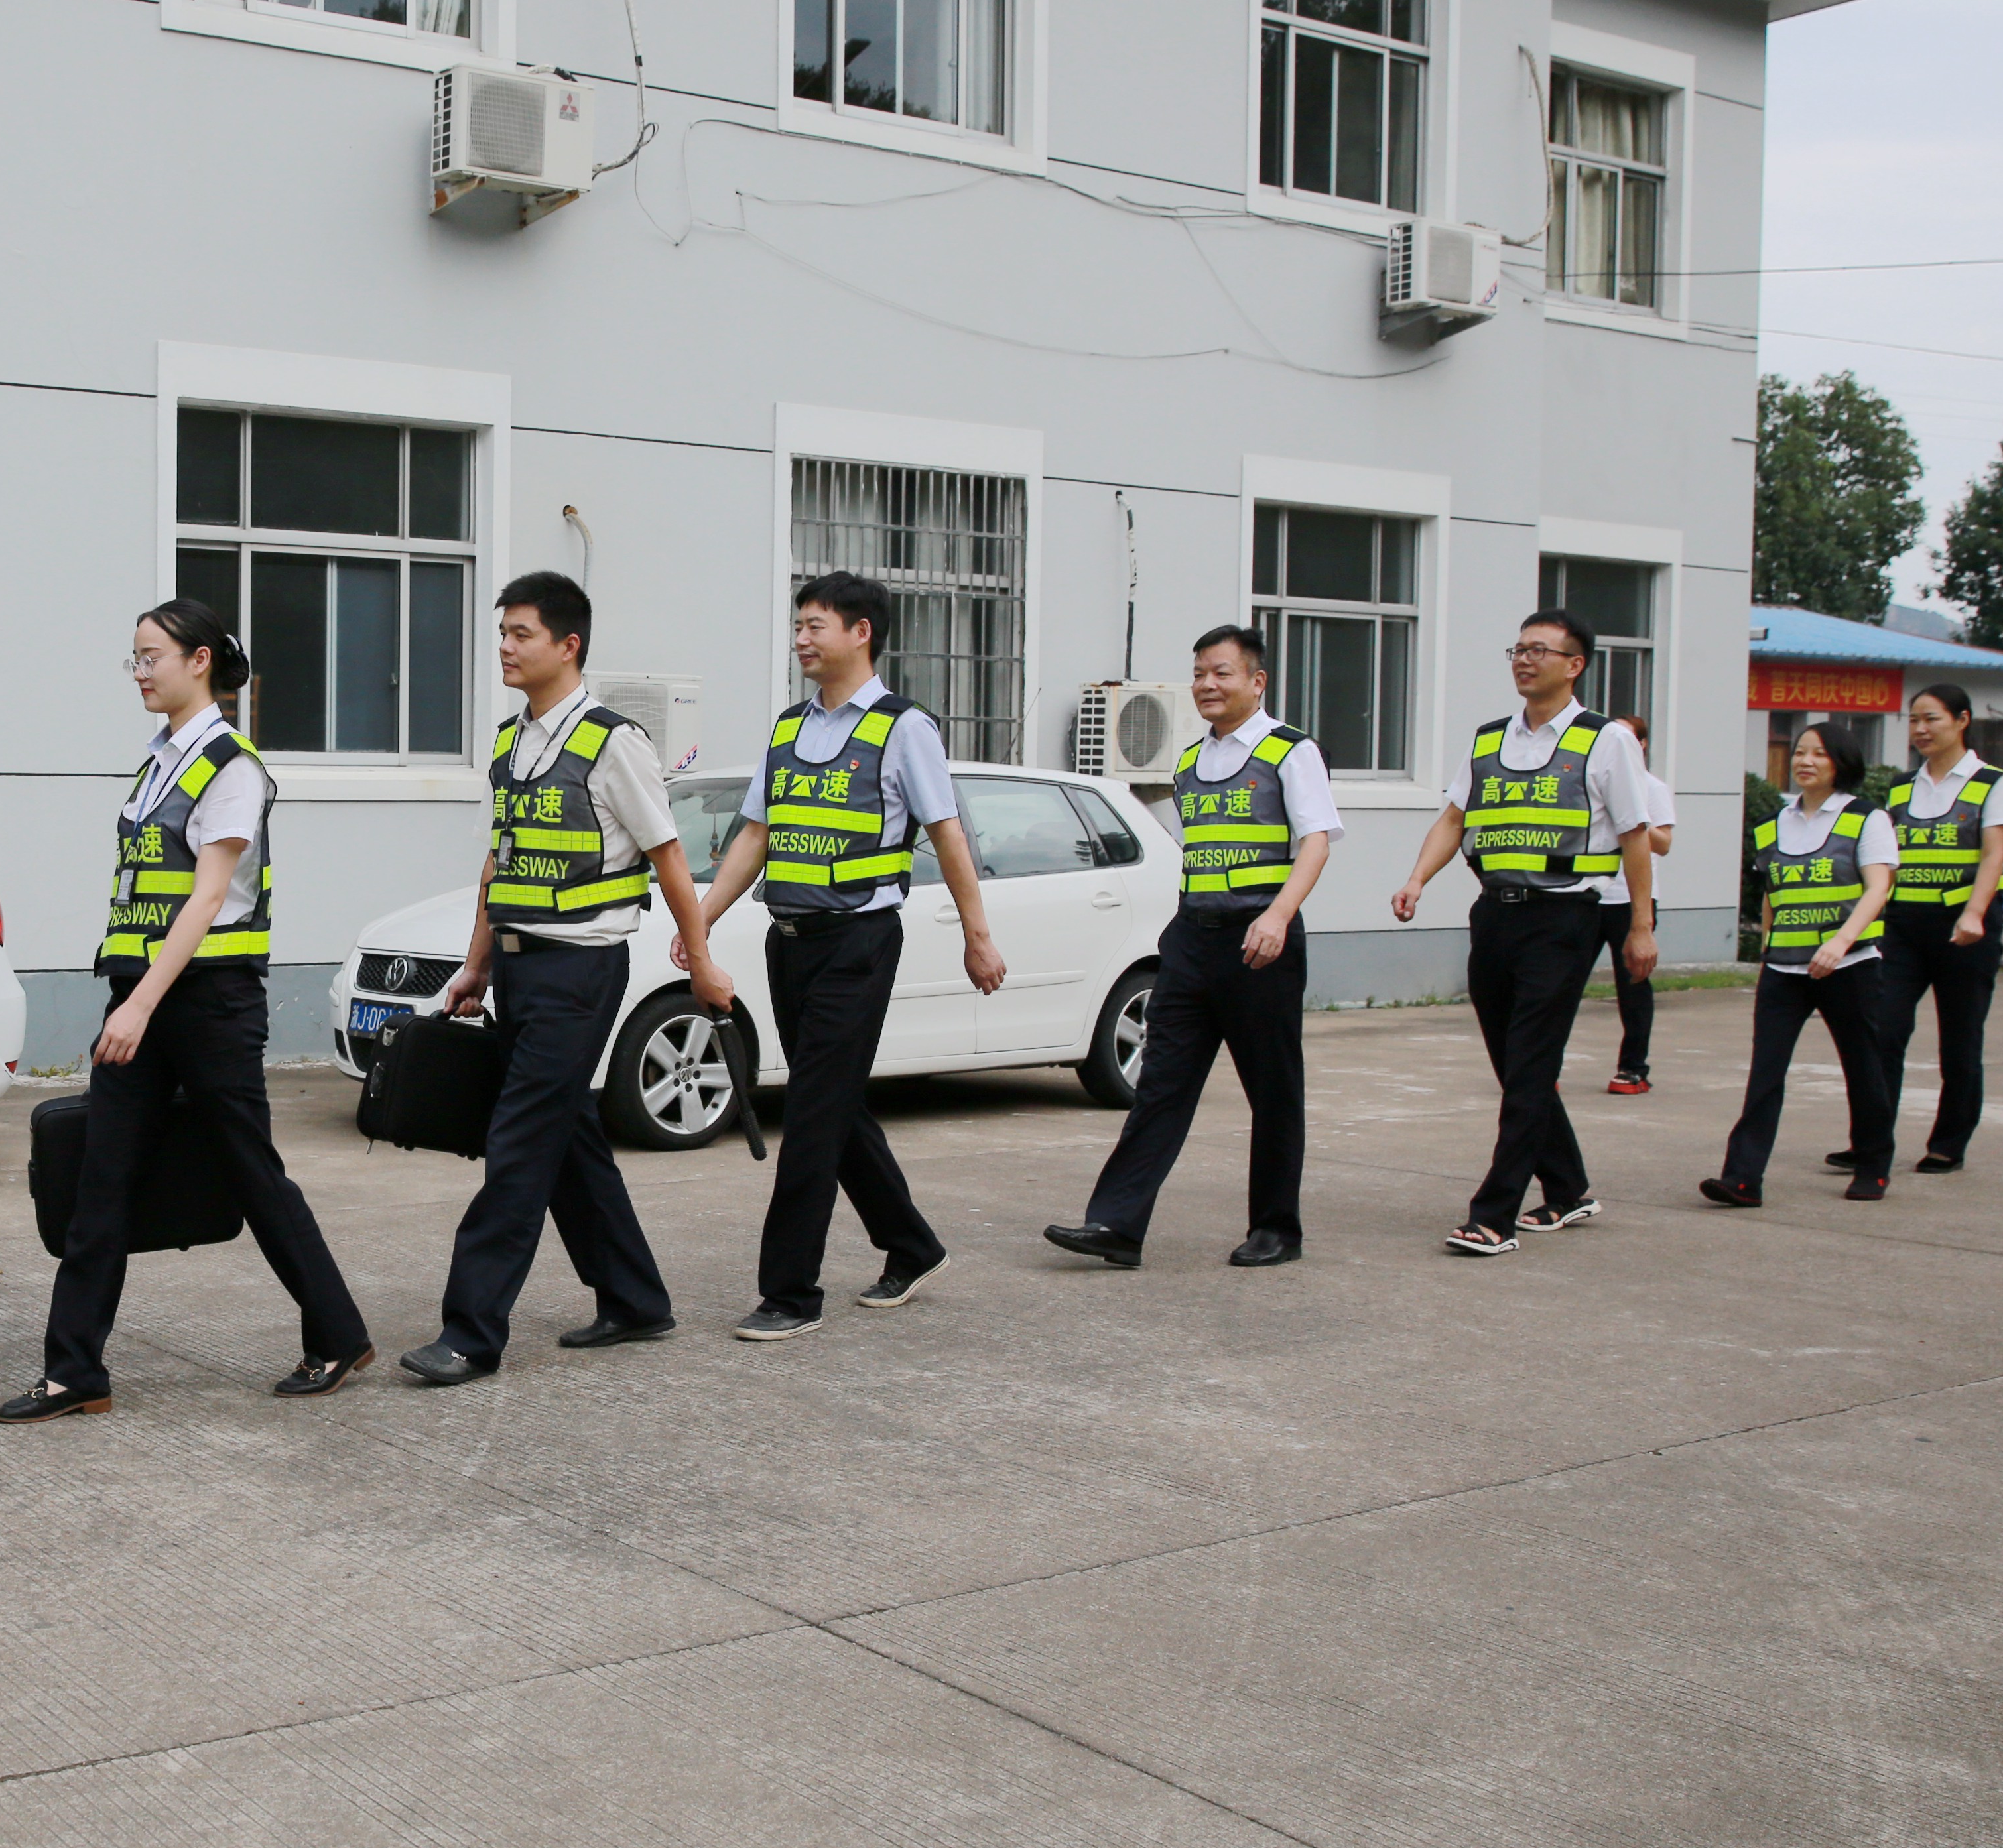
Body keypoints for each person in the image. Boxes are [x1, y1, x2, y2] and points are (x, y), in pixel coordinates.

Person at [1, 600, 373, 1421]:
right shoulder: (157, 764)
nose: (139, 672)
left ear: (199, 661)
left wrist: (137, 1006)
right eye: (132, 659)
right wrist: (130, 999)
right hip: (141, 995)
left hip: (208, 1004)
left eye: (151, 657)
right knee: (101, 1176)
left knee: (250, 1172)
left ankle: (337, 1332)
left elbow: (207, 899)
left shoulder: (230, 766)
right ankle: (74, 1371)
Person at [401, 572, 734, 1385]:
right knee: (569, 1139)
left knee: (516, 1145)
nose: (505, 648)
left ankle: (471, 1333)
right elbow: (500, 862)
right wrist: (477, 964)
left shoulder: (613, 744)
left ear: (568, 644)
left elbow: (668, 858)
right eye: (503, 634)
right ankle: (634, 1299)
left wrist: (700, 961)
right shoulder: (509, 744)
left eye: (521, 634)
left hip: (581, 970)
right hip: (520, 970)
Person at [682, 572, 1002, 1340]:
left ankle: (790, 1292)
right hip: (788, 941)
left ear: (860, 633)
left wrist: (976, 935)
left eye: (814, 625)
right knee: (833, 1104)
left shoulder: (903, 729)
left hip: (859, 942)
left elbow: (946, 834)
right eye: (797, 625)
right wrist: (699, 920)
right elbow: (755, 834)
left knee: (811, 1113)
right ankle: (912, 1246)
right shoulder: (788, 728)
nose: (800, 638)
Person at [1043, 623, 1336, 1270]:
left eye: (1221, 673)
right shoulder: (1189, 762)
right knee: (1161, 1086)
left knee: (1273, 1090)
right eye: (1199, 673)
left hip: (1259, 941)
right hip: (1191, 941)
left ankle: (1276, 1229)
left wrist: (1278, 915)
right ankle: (1116, 1227)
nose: (1206, 684)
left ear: (1256, 681)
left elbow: (1315, 842)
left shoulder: (1290, 752)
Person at [1389, 608, 1657, 1255]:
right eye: (1518, 649)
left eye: (1540, 650)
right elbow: (1453, 819)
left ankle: (1493, 1214)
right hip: (1495, 914)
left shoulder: (1605, 741)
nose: (1524, 660)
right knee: (1514, 1064)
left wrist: (1640, 927)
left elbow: (1634, 836)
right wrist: (1417, 878)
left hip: (1564, 917)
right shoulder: (1489, 740)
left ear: (1574, 665)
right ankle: (1567, 1188)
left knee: (1533, 1062)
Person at [1703, 721, 1899, 1205]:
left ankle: (1873, 1164)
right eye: (1799, 752)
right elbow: (1772, 894)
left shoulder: (1866, 818)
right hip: (1784, 971)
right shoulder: (1773, 824)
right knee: (1765, 1074)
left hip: (1850, 966)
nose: (1805, 761)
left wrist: (1841, 943)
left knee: (1863, 1067)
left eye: (1819, 754)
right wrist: (1768, 950)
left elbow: (1879, 887)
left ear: (1842, 763)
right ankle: (1742, 1178)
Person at [1825, 684, 2003, 1176]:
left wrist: (1974, 913)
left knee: (1960, 1040)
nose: (1921, 729)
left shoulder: (1993, 784)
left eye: (1932, 719)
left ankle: (1948, 1143)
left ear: (1962, 720)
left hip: (1963, 929)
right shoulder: (1901, 787)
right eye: (1914, 720)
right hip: (1903, 927)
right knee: (1882, 1033)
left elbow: (1994, 855)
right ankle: (1871, 1142)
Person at [1598, 713, 1677, 1095]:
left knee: (1633, 984)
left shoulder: (1651, 787)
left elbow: (1664, 844)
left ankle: (1633, 1069)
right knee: (1558, 985)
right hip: (1588, 894)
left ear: (1641, 745)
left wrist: (1632, 819)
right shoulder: (1593, 780)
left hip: (1631, 899)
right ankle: (1545, 1069)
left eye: (1626, 739)